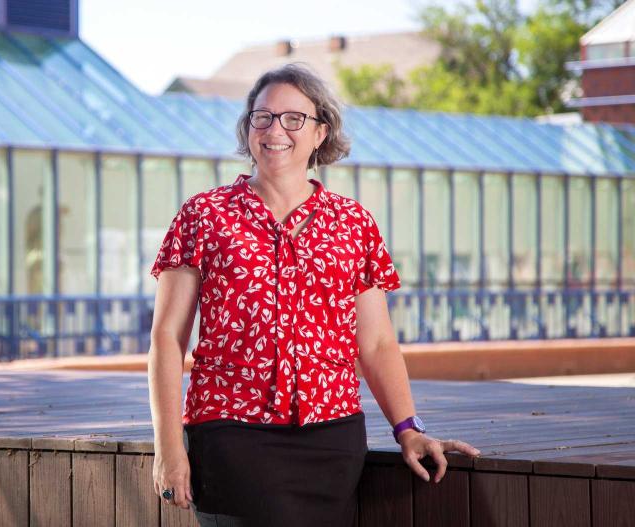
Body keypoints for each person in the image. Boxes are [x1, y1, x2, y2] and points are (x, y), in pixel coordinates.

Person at [147, 63, 481, 527]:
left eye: (293, 118)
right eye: (261, 117)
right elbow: (166, 338)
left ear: (321, 132)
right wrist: (167, 447)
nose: (275, 130)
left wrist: (408, 429)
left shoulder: (353, 223)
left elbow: (377, 343)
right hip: (231, 436)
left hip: (331, 442)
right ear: (248, 130)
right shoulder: (204, 216)